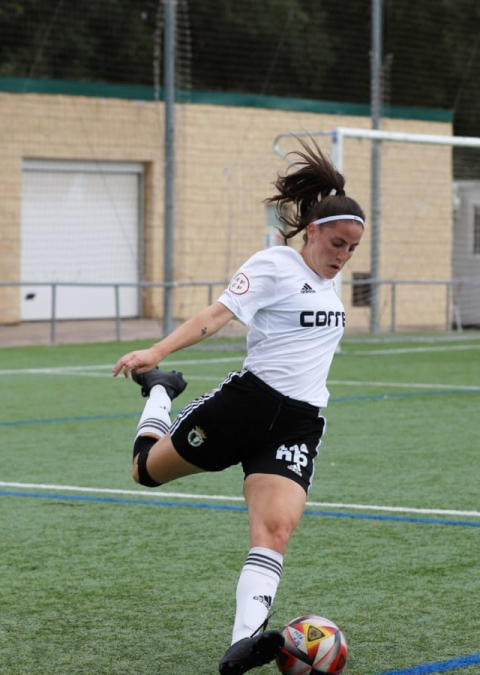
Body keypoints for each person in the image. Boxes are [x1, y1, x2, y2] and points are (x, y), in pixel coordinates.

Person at [112, 139, 365, 675]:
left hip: (298, 423)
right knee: (144, 471)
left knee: (274, 531)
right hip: (244, 406)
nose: (342, 256)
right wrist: (155, 353)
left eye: (352, 249)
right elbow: (218, 314)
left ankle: (241, 647)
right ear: (312, 232)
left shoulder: (331, 281)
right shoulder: (274, 263)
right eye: (337, 243)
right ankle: (160, 389)